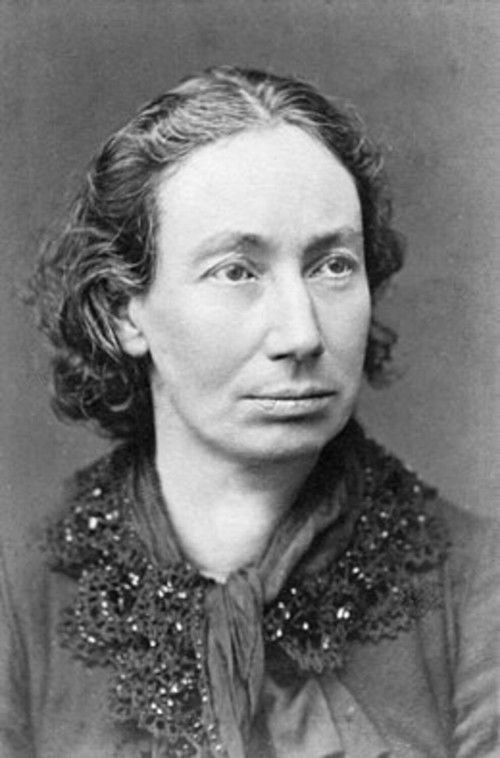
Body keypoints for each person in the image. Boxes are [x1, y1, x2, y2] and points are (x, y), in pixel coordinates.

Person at [0, 66, 498, 758]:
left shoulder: (478, 587)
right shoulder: (19, 594)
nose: (302, 334)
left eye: (333, 265)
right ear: (123, 313)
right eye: (236, 271)